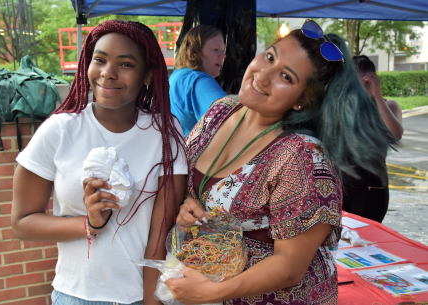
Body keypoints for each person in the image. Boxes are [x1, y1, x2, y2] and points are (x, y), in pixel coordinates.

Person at [164, 20, 396, 304]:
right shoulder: (220, 111)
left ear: (302, 100)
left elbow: (289, 265)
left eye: (286, 77)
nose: (262, 76)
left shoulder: (304, 155)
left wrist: (213, 292)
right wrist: (187, 202)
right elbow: (188, 179)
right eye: (270, 56)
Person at [11, 20, 187, 305]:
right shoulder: (60, 129)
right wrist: (89, 224)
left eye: (126, 64)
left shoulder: (164, 134)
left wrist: (150, 302)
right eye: (100, 60)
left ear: (147, 75)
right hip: (76, 296)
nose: (108, 73)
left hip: (139, 298)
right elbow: (22, 222)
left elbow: (160, 235)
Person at [341, 55, 404, 223]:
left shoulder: (388, 105)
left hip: (371, 189)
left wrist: (376, 95)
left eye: (366, 84)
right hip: (341, 186)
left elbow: (396, 134)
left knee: (365, 243)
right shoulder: (343, 106)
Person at [170, 24, 227, 137]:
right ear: (195, 51)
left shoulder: (177, 75)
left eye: (223, 50)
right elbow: (231, 119)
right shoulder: (199, 80)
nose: (223, 56)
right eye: (215, 50)